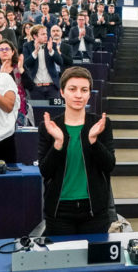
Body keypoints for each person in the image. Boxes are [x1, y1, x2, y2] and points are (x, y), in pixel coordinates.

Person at [38, 67, 115, 235]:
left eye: (84, 90)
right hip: (59, 211)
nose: (78, 95)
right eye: (72, 89)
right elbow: (45, 171)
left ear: (89, 94)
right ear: (62, 92)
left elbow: (109, 165)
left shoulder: (101, 124)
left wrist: (94, 141)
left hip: (94, 211)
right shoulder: (49, 127)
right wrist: (58, 143)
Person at [0, 39, 34, 127]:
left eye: (7, 49)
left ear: (12, 52)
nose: (4, 51)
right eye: (1, 49)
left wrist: (21, 70)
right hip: (0, 110)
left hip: (20, 111)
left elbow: (31, 87)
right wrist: (0, 76)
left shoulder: (20, 67)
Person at [23, 24, 64, 99]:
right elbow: (26, 65)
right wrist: (35, 52)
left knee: (55, 110)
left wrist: (51, 50)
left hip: (52, 87)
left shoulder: (52, 45)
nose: (46, 36)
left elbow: (60, 62)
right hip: (35, 88)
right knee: (37, 110)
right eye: (42, 34)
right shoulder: (27, 46)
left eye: (46, 34)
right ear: (35, 36)